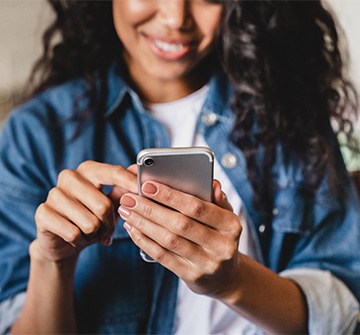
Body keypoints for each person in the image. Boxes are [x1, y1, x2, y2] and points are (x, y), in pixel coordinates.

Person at [0, 0, 359, 334]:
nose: (175, 19)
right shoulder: (35, 134)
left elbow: (342, 311)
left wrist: (233, 281)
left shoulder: (289, 114)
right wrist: (52, 262)